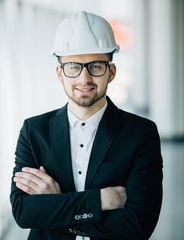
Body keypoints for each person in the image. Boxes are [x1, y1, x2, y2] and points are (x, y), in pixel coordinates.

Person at [10, 11, 163, 240]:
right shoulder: (34, 132)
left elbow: (138, 225)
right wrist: (100, 201)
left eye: (96, 66)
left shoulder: (141, 133)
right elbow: (24, 213)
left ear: (111, 72)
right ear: (59, 73)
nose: (84, 79)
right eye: (73, 67)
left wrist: (55, 205)